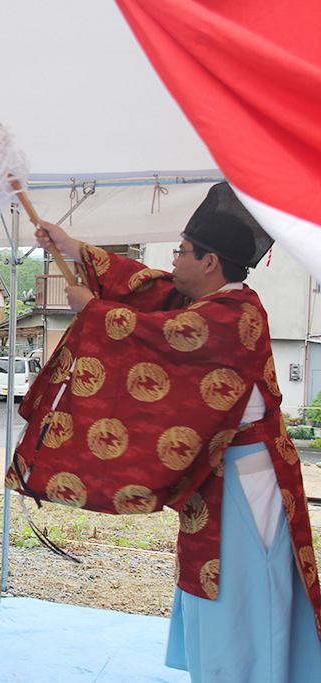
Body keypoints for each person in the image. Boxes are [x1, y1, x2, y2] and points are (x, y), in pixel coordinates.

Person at [28, 182, 321, 682]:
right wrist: (71, 247)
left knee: (247, 592)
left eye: (183, 251)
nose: (174, 260)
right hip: (219, 476)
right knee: (216, 588)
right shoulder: (198, 300)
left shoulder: (236, 314)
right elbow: (146, 286)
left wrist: (91, 311)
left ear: (211, 263)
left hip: (250, 481)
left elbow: (166, 334)